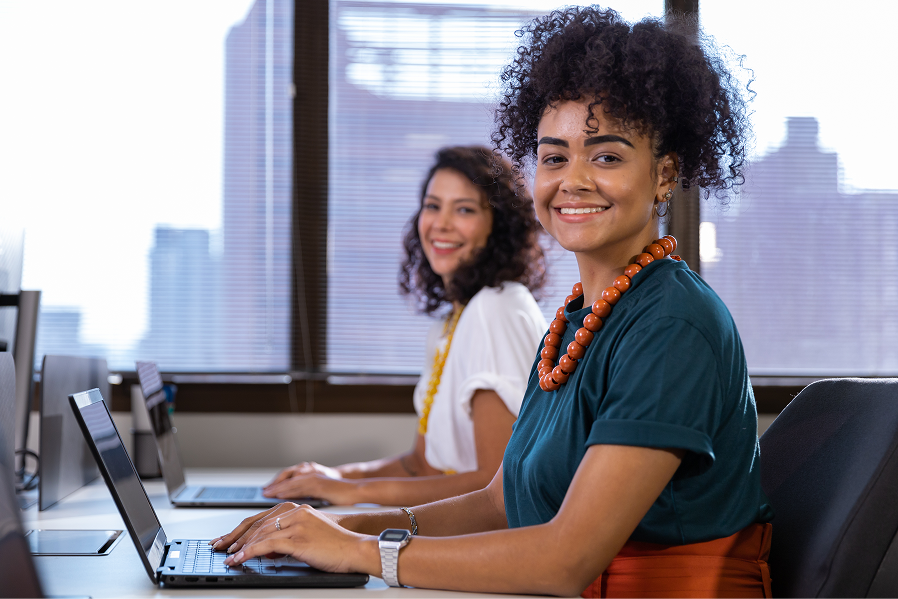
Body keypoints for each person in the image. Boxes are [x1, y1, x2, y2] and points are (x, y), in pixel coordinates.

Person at [212, 7, 773, 597]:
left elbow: (565, 560)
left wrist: (358, 552)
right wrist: (334, 527)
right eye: (554, 156)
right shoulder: (577, 319)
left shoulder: (672, 323)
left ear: (664, 175)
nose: (572, 179)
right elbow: (497, 502)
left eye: (606, 156)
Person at [262, 145, 548, 506]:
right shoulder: (454, 321)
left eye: (464, 209)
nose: (441, 224)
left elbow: (497, 486)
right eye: (432, 205)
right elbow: (420, 465)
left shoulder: (495, 309)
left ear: (499, 227)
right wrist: (336, 476)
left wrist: (351, 493)